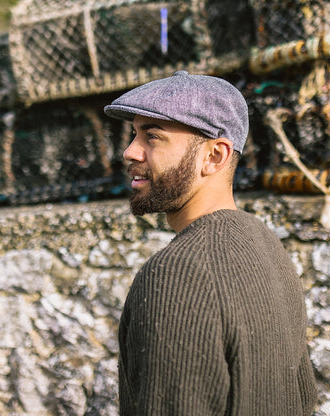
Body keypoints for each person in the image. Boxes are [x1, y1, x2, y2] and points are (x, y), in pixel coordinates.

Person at [104, 70, 317, 415]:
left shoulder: (177, 275)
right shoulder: (266, 245)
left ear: (215, 156)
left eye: (152, 136)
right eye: (134, 134)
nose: (130, 152)